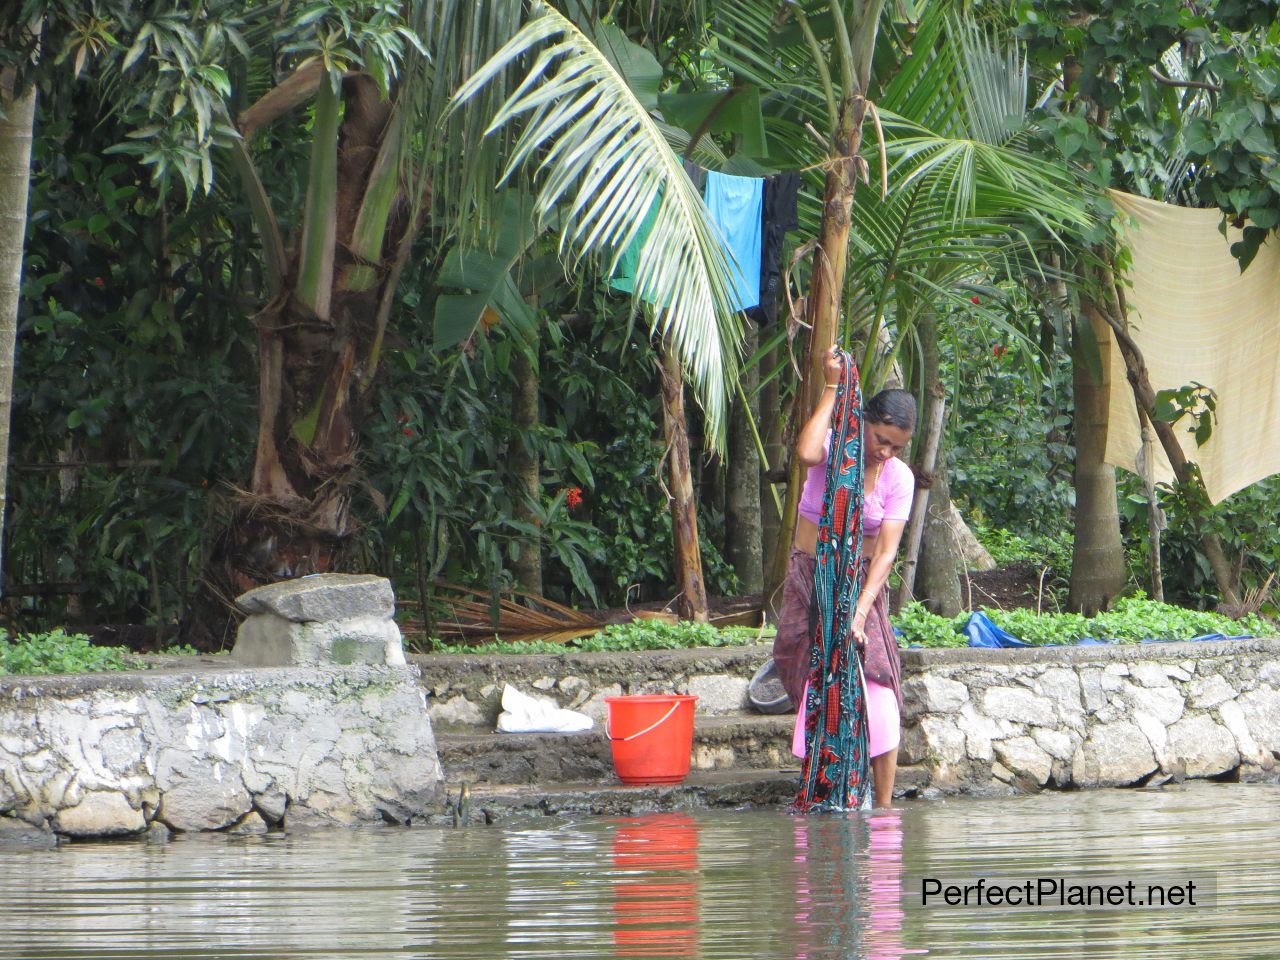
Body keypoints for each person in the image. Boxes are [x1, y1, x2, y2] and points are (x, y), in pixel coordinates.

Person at [773, 345, 917, 808]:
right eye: (880, 439)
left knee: (877, 679)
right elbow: (804, 452)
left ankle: (884, 807)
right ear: (864, 423)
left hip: (863, 587)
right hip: (811, 577)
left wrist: (858, 612)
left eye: (896, 446)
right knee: (815, 676)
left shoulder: (899, 478)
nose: (885, 451)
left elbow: (888, 552)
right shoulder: (837, 450)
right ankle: (822, 786)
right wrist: (833, 385)